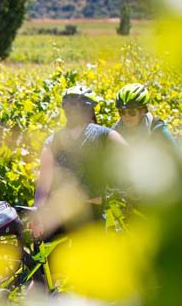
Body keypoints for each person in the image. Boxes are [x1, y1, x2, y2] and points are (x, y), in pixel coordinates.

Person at [30, 85, 127, 240]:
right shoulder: (104, 134)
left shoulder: (52, 140)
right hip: (90, 214)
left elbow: (44, 183)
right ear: (90, 110)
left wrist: (38, 211)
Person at [112, 83, 176, 147]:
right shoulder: (116, 130)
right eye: (121, 112)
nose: (126, 116)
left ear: (143, 110)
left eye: (132, 112)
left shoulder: (157, 128)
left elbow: (176, 155)